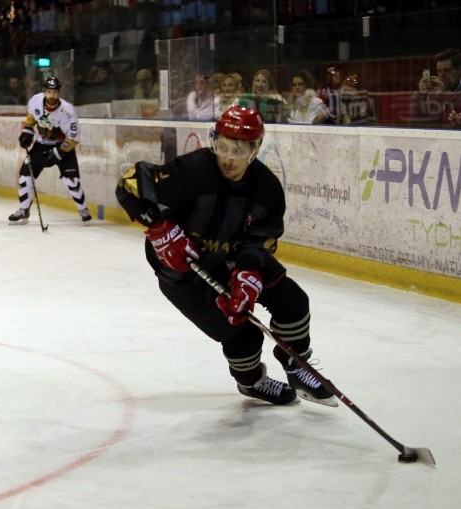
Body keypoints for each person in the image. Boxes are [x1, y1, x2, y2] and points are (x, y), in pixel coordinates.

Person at [115, 105, 335, 407]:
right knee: (241, 333)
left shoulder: (266, 189)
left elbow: (259, 241)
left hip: (231, 253)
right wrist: (158, 225)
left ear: (254, 149)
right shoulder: (193, 171)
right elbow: (129, 183)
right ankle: (252, 382)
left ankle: (297, 364)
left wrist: (248, 275)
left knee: (293, 301)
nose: (228, 158)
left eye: (238, 149)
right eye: (222, 147)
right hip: (182, 270)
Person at [9, 76, 91, 225]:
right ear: (44, 91)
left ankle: (83, 209)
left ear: (59, 92)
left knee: (71, 181)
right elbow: (32, 117)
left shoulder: (67, 112)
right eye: (48, 92)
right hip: (40, 145)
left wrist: (58, 153)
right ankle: (23, 209)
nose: (51, 96)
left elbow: (73, 138)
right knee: (24, 178)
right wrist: (28, 131)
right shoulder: (35, 101)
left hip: (63, 145)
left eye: (54, 92)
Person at [409, 48, 461, 127]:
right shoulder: (435, 93)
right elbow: (414, 123)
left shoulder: (441, 94)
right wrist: (421, 95)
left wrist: (443, 96)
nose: (442, 75)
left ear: (460, 70)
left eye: (447, 70)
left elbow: (450, 123)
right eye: (439, 71)